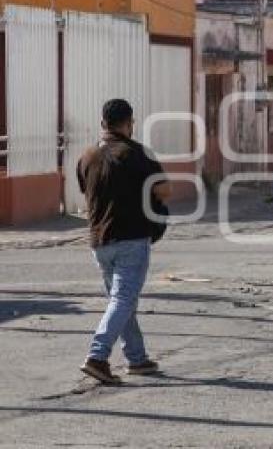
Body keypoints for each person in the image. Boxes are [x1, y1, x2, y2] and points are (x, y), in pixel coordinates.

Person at [77, 99, 171, 384]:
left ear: (103, 123)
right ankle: (97, 356)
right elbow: (164, 190)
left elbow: (86, 190)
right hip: (131, 238)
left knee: (121, 300)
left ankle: (137, 358)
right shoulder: (138, 153)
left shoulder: (87, 156)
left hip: (99, 240)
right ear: (130, 123)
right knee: (123, 299)